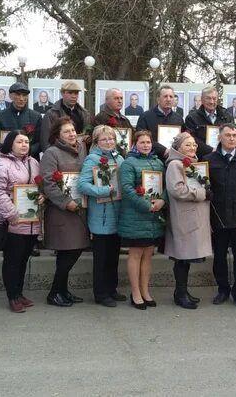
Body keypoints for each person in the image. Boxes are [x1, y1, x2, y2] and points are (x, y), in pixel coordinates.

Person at [0, 130, 44, 313]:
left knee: (23, 259)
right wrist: (12, 213)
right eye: (20, 142)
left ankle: (19, 294)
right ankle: (12, 296)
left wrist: (42, 196)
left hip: (31, 222)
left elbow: (39, 186)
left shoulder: (34, 162)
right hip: (11, 221)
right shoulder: (0, 164)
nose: (24, 145)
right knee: (12, 261)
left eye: (27, 142)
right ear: (10, 144)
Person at [204, 123, 236, 309]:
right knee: (219, 258)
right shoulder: (209, 160)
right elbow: (204, 192)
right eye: (228, 135)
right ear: (219, 137)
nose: (232, 138)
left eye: (234, 135)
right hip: (217, 219)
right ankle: (223, 289)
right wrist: (207, 220)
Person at [39, 117, 89, 307]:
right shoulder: (51, 153)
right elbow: (48, 183)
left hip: (80, 209)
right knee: (67, 252)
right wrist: (65, 202)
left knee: (74, 250)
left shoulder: (81, 149)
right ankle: (54, 292)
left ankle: (62, 290)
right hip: (61, 211)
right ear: (57, 135)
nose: (72, 134)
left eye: (73, 130)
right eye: (67, 131)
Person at [118, 130, 167, 310]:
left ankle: (145, 291)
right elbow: (127, 189)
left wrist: (162, 200)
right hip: (136, 215)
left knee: (148, 255)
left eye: (148, 142)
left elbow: (166, 186)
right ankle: (135, 293)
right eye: (142, 142)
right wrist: (146, 205)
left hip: (153, 217)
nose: (146, 145)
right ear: (134, 144)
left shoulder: (158, 162)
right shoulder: (129, 163)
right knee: (136, 253)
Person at [79, 125, 126, 307]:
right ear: (97, 142)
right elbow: (82, 185)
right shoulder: (92, 159)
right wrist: (102, 191)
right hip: (101, 216)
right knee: (101, 258)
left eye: (111, 139)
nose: (109, 142)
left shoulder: (120, 158)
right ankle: (100, 293)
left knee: (113, 256)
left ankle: (112, 289)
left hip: (118, 213)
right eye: (104, 139)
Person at [164, 132, 213, 309]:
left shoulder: (195, 164)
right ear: (178, 148)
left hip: (193, 216)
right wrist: (202, 193)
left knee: (186, 257)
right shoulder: (175, 164)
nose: (192, 148)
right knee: (182, 257)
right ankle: (180, 293)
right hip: (183, 217)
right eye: (188, 145)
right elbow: (177, 190)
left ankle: (183, 291)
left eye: (194, 145)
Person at [0, 83, 43, 160]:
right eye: (18, 95)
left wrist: (28, 151)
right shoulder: (0, 116)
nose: (21, 98)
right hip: (6, 160)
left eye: (24, 95)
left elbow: (41, 141)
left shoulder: (36, 116)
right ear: (11, 96)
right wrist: (7, 151)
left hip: (29, 160)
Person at [40, 81, 93, 152]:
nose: (74, 96)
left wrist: (88, 139)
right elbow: (45, 141)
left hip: (81, 154)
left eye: (76, 93)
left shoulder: (85, 113)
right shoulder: (51, 114)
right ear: (62, 93)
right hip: (60, 155)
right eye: (70, 93)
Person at [136, 85, 184, 159]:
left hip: (174, 158)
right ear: (158, 99)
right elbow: (141, 138)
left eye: (171, 97)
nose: (168, 99)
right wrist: (163, 150)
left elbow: (182, 139)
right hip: (151, 158)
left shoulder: (179, 118)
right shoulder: (145, 116)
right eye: (165, 96)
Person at [185, 86, 234, 158]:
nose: (212, 102)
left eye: (214, 98)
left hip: (224, 158)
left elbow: (234, 136)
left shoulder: (227, 116)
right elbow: (191, 139)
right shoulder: (192, 118)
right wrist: (210, 150)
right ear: (202, 99)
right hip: (202, 158)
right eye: (208, 98)